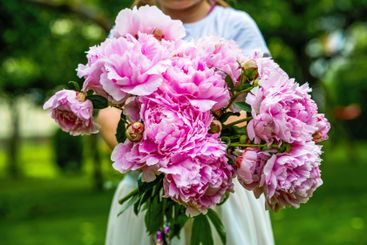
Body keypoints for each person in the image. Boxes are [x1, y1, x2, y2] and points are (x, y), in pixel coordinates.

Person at [99, 0, 275, 244]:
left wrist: (192, 161)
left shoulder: (235, 24)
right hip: (144, 185)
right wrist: (151, 161)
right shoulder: (131, 27)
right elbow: (107, 109)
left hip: (219, 194)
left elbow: (257, 104)